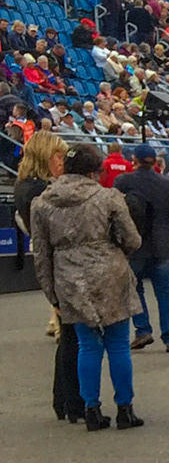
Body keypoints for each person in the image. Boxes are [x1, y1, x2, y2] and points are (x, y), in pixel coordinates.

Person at [30, 142, 143, 431]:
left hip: (69, 276)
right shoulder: (108, 197)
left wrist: (51, 294)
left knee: (87, 346)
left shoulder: (42, 203)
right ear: (94, 171)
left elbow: (41, 255)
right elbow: (132, 239)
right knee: (118, 344)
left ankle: (91, 409)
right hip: (109, 272)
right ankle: (125, 408)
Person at [18, 131, 80, 421]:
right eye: (58, 155)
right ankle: (70, 399)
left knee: (69, 335)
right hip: (59, 266)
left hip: (54, 264)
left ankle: (64, 400)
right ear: (45, 156)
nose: (62, 162)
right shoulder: (39, 192)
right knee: (72, 337)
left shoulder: (29, 187)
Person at [118, 143, 169, 352]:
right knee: (164, 293)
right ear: (155, 162)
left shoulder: (124, 182)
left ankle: (143, 329)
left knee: (134, 288)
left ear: (134, 161)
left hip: (136, 244)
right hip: (163, 244)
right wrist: (168, 229)